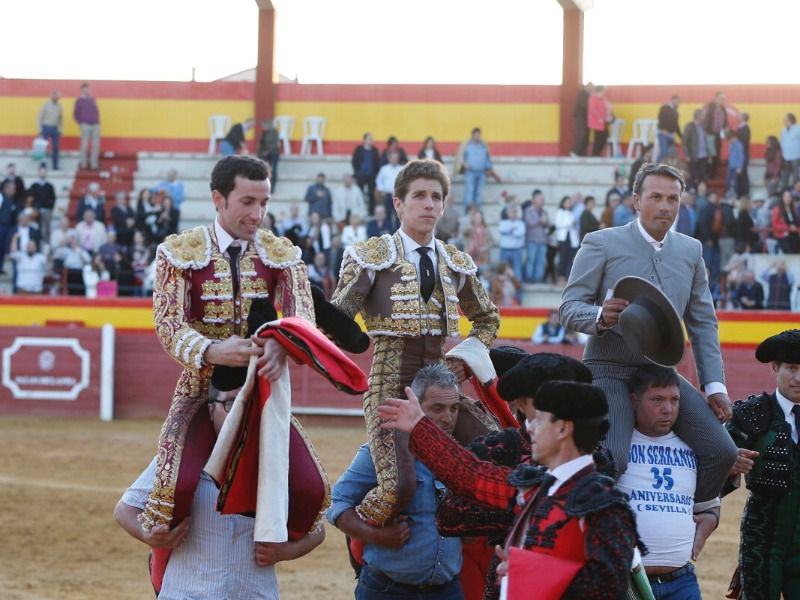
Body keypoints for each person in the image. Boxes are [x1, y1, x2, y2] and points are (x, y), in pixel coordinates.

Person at [137, 155, 316, 530]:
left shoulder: (281, 254)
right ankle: (164, 563)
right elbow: (168, 323)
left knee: (311, 491)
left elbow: (303, 317)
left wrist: (282, 345)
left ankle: (270, 551)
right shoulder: (178, 253)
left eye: (264, 202)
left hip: (259, 389)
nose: (258, 214)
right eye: (248, 202)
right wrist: (212, 351)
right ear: (218, 199)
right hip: (199, 388)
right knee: (170, 495)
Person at [331, 158, 499, 526]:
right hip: (390, 388)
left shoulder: (456, 262)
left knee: (499, 453)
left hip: (442, 391)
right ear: (398, 204)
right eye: (419, 196)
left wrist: (464, 359)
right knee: (397, 488)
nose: (428, 204)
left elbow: (488, 318)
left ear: (444, 204)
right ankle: (365, 539)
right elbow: (335, 319)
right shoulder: (371, 259)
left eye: (436, 197)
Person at [560, 162, 738, 506]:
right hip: (609, 368)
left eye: (673, 199)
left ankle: (689, 519)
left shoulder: (690, 250)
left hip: (661, 374)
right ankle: (599, 532)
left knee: (721, 451)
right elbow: (568, 308)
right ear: (637, 201)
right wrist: (599, 315)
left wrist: (715, 386)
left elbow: (703, 322)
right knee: (612, 458)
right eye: (656, 197)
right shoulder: (601, 243)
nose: (665, 206)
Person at [379, 378, 639, 600]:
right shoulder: (539, 488)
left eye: (538, 420)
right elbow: (472, 476)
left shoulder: (604, 504)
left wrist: (528, 570)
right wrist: (419, 426)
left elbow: (607, 589)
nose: (529, 427)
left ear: (562, 429)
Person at [115, 383, 325, 600]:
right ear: (211, 410)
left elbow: (316, 530)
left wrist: (288, 551)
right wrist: (147, 534)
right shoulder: (182, 460)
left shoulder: (276, 464)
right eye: (230, 404)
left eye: (248, 405)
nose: (239, 413)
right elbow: (124, 510)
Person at [328, 364, 464, 600]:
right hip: (388, 589)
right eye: (437, 408)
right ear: (415, 407)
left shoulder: (462, 454)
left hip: (447, 590)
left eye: (454, 408)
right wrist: (375, 536)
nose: (448, 418)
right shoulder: (382, 453)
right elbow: (336, 503)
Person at [616, 366, 719, 600]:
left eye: (674, 400)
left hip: (681, 580)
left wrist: (712, 516)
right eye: (657, 399)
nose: (668, 409)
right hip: (626, 582)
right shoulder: (616, 446)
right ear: (634, 400)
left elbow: (708, 503)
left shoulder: (696, 447)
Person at [725, 329, 800, 600]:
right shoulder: (751, 414)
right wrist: (728, 467)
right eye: (792, 368)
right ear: (774, 367)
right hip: (763, 541)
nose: (799, 378)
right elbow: (711, 471)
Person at [456, 128, 500, 211]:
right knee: (470, 191)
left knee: (478, 193)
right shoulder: (467, 145)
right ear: (472, 135)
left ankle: (477, 212)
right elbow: (461, 158)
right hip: (470, 172)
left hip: (481, 172)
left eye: (479, 135)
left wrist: (488, 168)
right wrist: (464, 164)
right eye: (476, 135)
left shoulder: (483, 146)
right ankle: (468, 211)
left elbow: (487, 158)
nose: (477, 136)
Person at [73, 83, 100, 170]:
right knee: (84, 145)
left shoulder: (92, 99)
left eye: (88, 89)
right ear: (82, 90)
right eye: (85, 89)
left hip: (95, 124)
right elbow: (75, 114)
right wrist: (81, 123)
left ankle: (94, 165)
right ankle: (83, 164)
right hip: (85, 125)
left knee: (96, 145)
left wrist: (97, 121)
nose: (87, 90)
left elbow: (96, 111)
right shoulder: (79, 101)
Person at [523, 190, 548, 283]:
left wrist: (546, 222)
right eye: (540, 200)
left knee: (541, 261)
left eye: (543, 200)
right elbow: (529, 222)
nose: (542, 201)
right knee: (531, 261)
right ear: (534, 200)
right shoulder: (528, 210)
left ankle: (538, 279)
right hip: (532, 240)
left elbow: (548, 224)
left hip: (542, 240)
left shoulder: (544, 211)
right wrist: (540, 220)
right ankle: (529, 278)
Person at [352, 133, 381, 213]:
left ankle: (371, 212)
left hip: (371, 176)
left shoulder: (375, 150)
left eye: (371, 139)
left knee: (372, 195)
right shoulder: (359, 149)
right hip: (360, 176)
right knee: (359, 194)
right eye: (369, 139)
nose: (371, 141)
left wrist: (375, 174)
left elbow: (377, 163)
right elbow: (354, 161)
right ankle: (359, 211)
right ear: (364, 140)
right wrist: (357, 172)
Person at [701, 91, 728, 177]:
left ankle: (713, 173)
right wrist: (704, 132)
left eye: (723, 99)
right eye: (721, 98)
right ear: (715, 98)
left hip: (718, 134)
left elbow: (725, 122)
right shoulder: (709, 106)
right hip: (709, 133)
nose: (722, 100)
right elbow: (702, 118)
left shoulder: (722, 108)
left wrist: (726, 132)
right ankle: (707, 173)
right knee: (710, 154)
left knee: (717, 154)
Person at [28, 164, 56, 244]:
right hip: (36, 211)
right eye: (41, 171)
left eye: (44, 171)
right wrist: (35, 208)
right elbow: (31, 198)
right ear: (38, 172)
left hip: (46, 210)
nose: (43, 173)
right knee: (36, 228)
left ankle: (46, 244)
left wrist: (49, 208)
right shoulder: (34, 185)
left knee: (47, 230)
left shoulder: (49, 186)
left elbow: (53, 198)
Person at [497, 204, 525, 282]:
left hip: (517, 250)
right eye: (510, 212)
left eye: (514, 212)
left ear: (516, 213)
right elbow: (502, 230)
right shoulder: (503, 222)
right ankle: (502, 288)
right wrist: (512, 229)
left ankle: (518, 289)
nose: (512, 214)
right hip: (504, 250)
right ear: (507, 213)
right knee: (502, 270)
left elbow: (520, 233)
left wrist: (509, 231)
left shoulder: (520, 223)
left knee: (517, 271)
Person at [682, 109, 709, 189]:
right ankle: (693, 190)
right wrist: (687, 155)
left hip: (704, 155)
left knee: (702, 175)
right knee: (693, 175)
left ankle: (701, 191)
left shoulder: (703, 126)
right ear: (698, 116)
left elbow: (705, 141)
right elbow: (685, 141)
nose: (704, 117)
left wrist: (708, 153)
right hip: (694, 155)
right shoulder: (690, 126)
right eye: (703, 115)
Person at [38, 90, 63, 170]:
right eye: (55, 96)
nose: (56, 98)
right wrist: (39, 129)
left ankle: (55, 166)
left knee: (56, 147)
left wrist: (60, 129)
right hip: (45, 127)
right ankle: (43, 165)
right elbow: (40, 117)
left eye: (57, 97)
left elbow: (60, 119)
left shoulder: (59, 106)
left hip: (55, 128)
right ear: (52, 96)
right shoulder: (46, 105)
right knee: (43, 147)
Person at [588, 85, 612, 157]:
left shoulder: (602, 98)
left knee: (605, 136)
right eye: (604, 91)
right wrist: (598, 118)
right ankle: (595, 153)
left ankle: (597, 152)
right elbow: (592, 109)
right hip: (597, 121)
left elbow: (607, 106)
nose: (604, 93)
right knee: (598, 138)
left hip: (603, 121)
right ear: (600, 91)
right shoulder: (593, 98)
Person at [656, 95, 681, 161]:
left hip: (671, 135)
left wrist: (681, 136)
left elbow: (676, 125)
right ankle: (656, 166)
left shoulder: (675, 112)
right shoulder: (665, 108)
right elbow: (660, 118)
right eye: (677, 101)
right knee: (664, 153)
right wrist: (663, 129)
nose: (678, 103)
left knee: (671, 154)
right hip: (663, 134)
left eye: (679, 102)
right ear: (673, 100)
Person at [571, 82, 593, 157]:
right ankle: (575, 152)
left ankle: (582, 153)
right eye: (589, 87)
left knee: (586, 136)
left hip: (587, 118)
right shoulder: (582, 94)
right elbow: (585, 105)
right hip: (580, 117)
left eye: (592, 87)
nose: (591, 89)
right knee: (582, 134)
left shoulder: (589, 95)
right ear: (586, 87)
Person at [257, 120, 281, 190]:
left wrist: (267, 151)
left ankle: (273, 187)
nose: (263, 127)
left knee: (273, 169)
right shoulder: (264, 133)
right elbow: (261, 144)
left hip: (274, 153)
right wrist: (261, 153)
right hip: (266, 155)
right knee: (266, 170)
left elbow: (275, 145)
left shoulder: (274, 132)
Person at [781, 113, 800, 190]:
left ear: (790, 120)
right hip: (786, 157)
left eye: (785, 119)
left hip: (796, 157)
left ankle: (796, 193)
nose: (784, 121)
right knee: (785, 176)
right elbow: (782, 142)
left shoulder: (798, 129)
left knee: (796, 177)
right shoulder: (783, 130)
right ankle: (784, 192)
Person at [727, 130, 745, 197]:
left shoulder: (739, 144)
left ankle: (735, 195)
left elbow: (741, 156)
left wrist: (739, 167)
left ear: (734, 137)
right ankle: (729, 193)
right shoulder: (731, 144)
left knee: (735, 182)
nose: (730, 140)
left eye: (730, 139)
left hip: (736, 166)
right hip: (730, 165)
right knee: (729, 181)